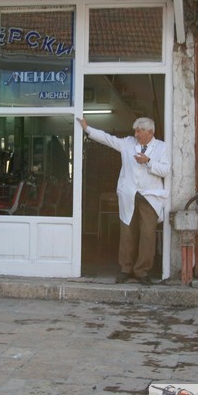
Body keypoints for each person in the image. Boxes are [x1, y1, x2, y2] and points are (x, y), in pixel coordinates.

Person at [77, 116, 169, 285]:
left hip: (150, 197)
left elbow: (165, 170)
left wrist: (148, 162)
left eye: (138, 131)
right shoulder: (127, 143)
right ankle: (125, 269)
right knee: (127, 234)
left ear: (150, 132)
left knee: (148, 236)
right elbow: (108, 139)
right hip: (129, 195)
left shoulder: (162, 147)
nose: (135, 134)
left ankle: (142, 271)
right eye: (135, 131)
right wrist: (87, 129)